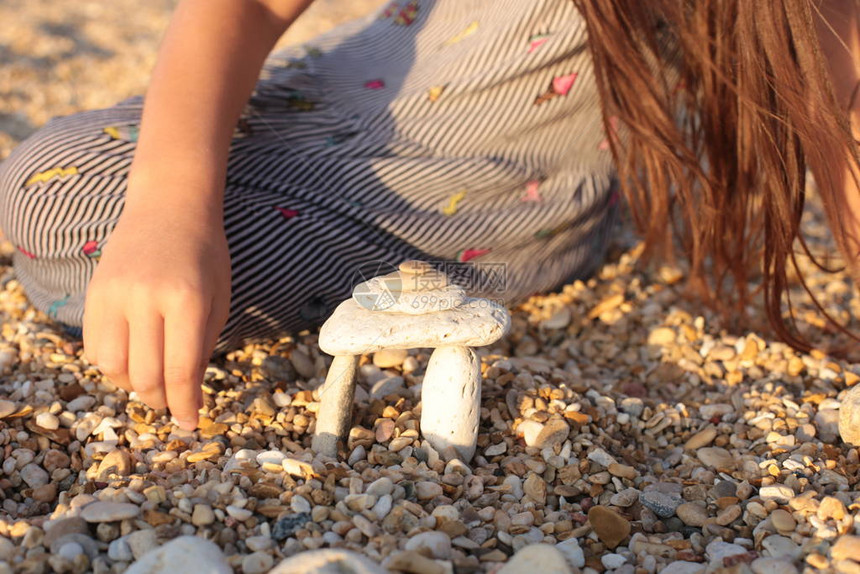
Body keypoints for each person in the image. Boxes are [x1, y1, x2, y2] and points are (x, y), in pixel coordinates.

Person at [0, 0, 856, 430]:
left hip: (449, 203)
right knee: (71, 183)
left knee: (57, 196)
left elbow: (837, 103)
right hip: (323, 92)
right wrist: (168, 209)